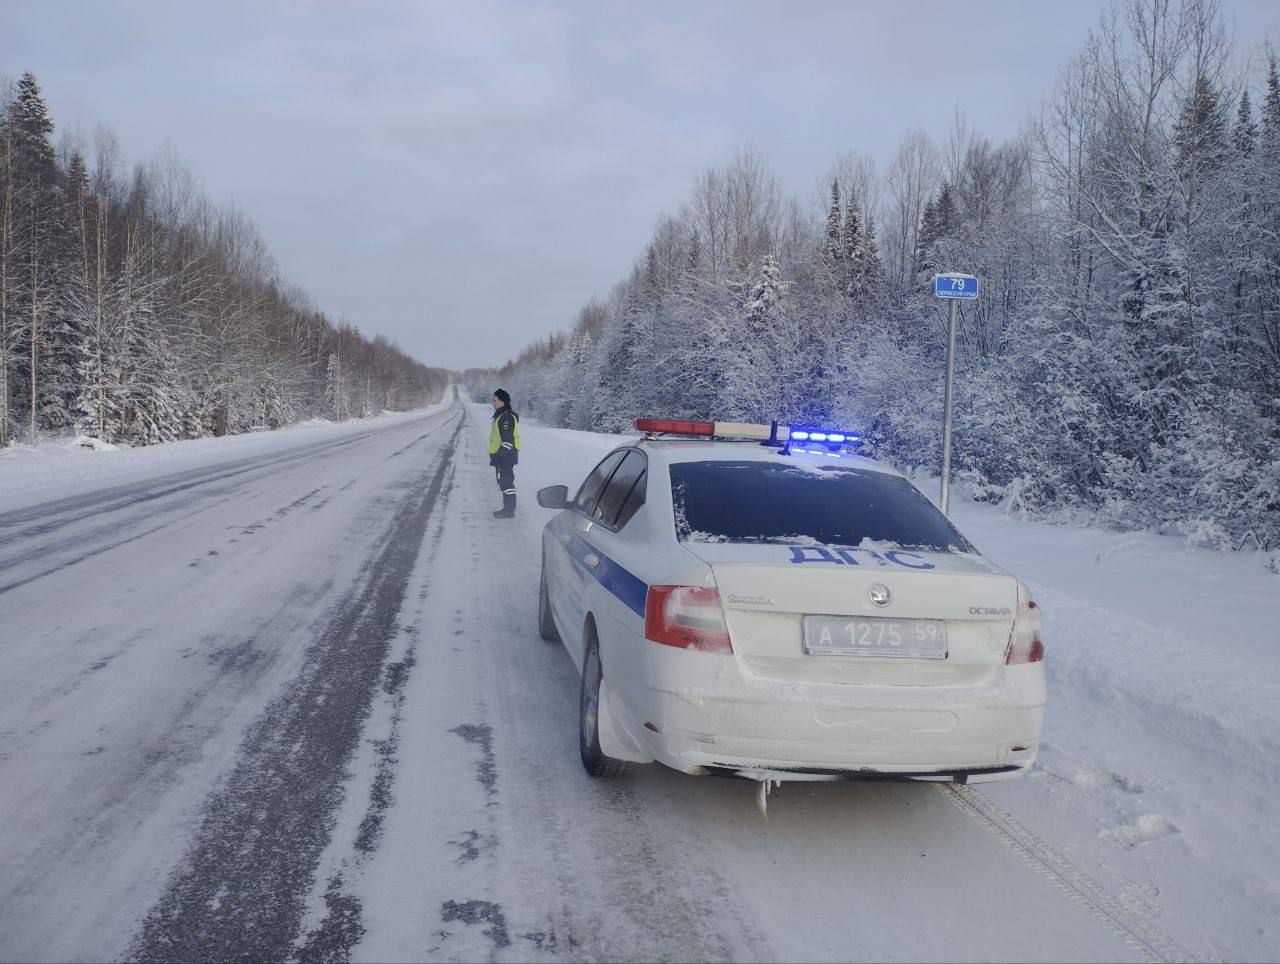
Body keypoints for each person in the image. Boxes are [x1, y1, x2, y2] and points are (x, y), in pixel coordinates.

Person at [488, 389, 520, 518]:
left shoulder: (505, 417)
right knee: (504, 482)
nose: (493, 403)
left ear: (503, 401)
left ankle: (509, 510)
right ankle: (508, 509)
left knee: (506, 482)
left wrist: (500, 456)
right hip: (503, 456)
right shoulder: (501, 415)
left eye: (495, 400)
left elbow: (507, 440)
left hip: (505, 457)